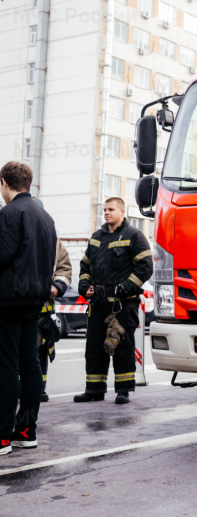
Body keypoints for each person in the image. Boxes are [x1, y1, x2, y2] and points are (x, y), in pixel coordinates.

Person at [0, 162, 57, 455]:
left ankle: (2, 436)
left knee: (6, 366)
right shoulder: (45, 216)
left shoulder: (10, 213)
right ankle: (26, 430)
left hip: (9, 299)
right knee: (30, 364)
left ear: (4, 182)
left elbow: (3, 254)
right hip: (36, 299)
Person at [74, 197, 153, 405]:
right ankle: (94, 390)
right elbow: (84, 267)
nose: (106, 212)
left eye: (110, 209)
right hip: (98, 304)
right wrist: (84, 287)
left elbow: (145, 267)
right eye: (104, 209)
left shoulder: (134, 236)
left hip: (122, 305)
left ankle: (124, 390)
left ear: (122, 212)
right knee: (94, 348)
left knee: (122, 348)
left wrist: (126, 287)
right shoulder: (96, 237)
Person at [38, 238, 73, 402]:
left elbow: (64, 268)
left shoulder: (51, 239)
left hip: (42, 315)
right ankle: (17, 390)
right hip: (13, 312)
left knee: (40, 353)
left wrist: (58, 286)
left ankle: (38, 388)